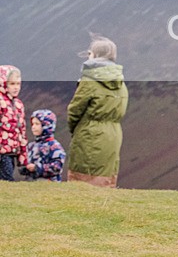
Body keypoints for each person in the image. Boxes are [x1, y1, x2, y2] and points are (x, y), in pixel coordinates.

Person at [67, 35, 129, 187]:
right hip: (113, 135)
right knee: (105, 179)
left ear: (95, 55)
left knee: (84, 180)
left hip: (90, 133)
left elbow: (75, 110)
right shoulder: (120, 82)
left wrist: (76, 128)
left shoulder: (89, 80)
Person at [19, 109, 66, 182]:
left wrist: (37, 168)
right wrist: (26, 169)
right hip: (31, 184)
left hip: (49, 184)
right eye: (32, 124)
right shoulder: (31, 145)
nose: (33, 127)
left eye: (37, 124)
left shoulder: (54, 146)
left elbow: (57, 167)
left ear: (46, 125)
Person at [0, 65, 27, 181]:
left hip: (12, 152)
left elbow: (22, 131)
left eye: (18, 84)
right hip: (2, 152)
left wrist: (23, 156)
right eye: (12, 84)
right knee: (7, 180)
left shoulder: (18, 105)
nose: (16, 87)